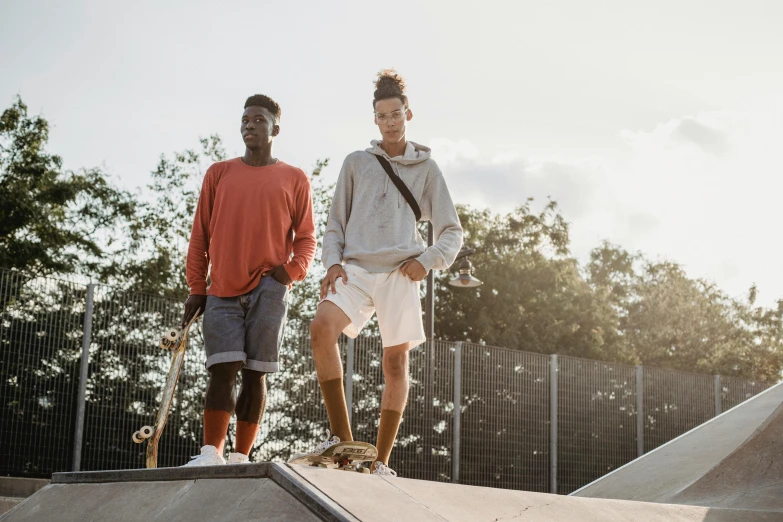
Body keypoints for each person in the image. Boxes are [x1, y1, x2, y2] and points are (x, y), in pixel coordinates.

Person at [289, 69, 463, 475]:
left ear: (408, 114)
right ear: (375, 119)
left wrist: (428, 259)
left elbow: (451, 230)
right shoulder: (356, 163)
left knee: (396, 366)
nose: (390, 121)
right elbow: (334, 223)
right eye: (382, 115)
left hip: (400, 275)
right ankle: (342, 442)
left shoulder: (427, 169)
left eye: (396, 113)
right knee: (320, 329)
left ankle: (380, 463)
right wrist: (332, 262)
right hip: (355, 269)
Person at [181, 94, 316, 466]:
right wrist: (197, 288)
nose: (249, 125)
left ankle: (241, 456)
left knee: (257, 374)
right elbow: (200, 237)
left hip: (269, 289)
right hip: (220, 290)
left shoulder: (294, 177)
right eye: (244, 119)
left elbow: (306, 238)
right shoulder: (218, 173)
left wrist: (289, 273)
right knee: (221, 369)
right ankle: (211, 453)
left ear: (275, 127)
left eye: (258, 119)